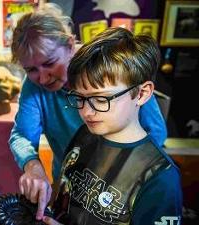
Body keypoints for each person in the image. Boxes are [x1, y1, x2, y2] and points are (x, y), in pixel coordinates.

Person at [9, 3, 168, 221]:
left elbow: (156, 132)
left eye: (50, 63)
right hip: (70, 185)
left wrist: (130, 178)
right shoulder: (34, 86)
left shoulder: (110, 66)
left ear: (70, 44)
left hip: (121, 189)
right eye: (31, 70)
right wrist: (32, 165)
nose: (43, 78)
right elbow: (22, 134)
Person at [42, 27, 182, 225]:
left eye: (101, 99)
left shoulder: (160, 177)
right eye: (80, 97)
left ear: (142, 94)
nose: (87, 112)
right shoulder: (84, 134)